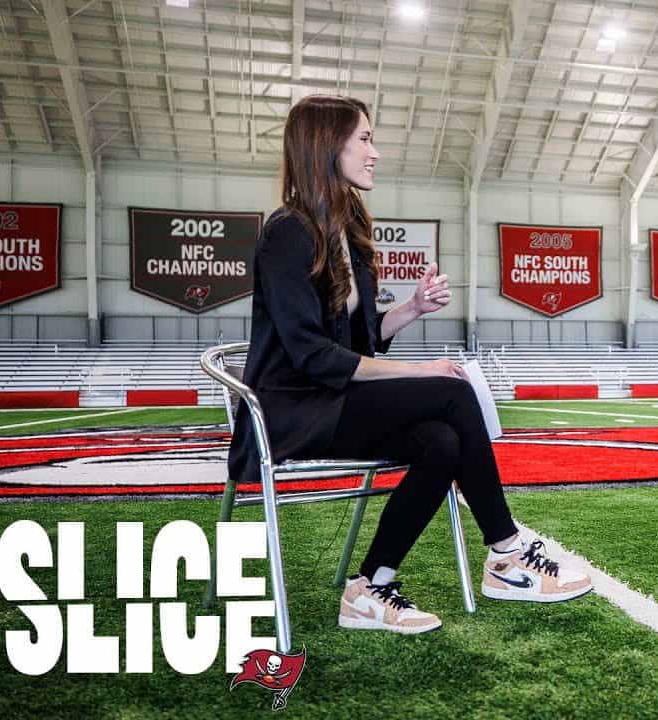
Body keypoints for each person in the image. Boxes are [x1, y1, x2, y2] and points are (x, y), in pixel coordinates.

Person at [227, 95, 592, 636]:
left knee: (442, 443)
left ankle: (370, 586)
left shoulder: (346, 228)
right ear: (328, 147)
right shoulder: (288, 232)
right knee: (450, 391)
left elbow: (360, 339)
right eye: (365, 139)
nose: (375, 152)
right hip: (289, 410)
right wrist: (422, 371)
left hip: (330, 401)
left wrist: (413, 309)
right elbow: (311, 356)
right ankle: (506, 551)